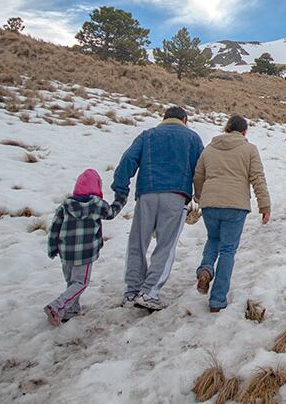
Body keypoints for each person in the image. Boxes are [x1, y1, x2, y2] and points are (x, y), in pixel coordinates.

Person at [113, 106, 204, 311]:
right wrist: (199, 196)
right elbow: (200, 170)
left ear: (163, 118)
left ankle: (131, 291)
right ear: (184, 119)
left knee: (137, 242)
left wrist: (121, 188)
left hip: (147, 193)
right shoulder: (192, 138)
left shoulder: (148, 135)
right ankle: (149, 292)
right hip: (176, 195)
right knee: (166, 245)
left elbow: (128, 160)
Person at [192, 115, 271, 312]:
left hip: (210, 203)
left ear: (227, 128)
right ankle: (217, 299)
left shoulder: (210, 148)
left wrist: (201, 197)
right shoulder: (249, 149)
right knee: (227, 249)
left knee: (213, 239)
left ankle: (206, 270)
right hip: (235, 204)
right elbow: (257, 178)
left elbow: (198, 175)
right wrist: (265, 205)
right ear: (244, 131)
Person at [45, 169, 126, 326]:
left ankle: (71, 310)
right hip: (85, 254)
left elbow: (55, 228)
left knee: (71, 283)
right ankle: (56, 306)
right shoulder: (97, 205)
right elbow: (112, 212)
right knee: (80, 283)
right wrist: (121, 197)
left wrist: (52, 248)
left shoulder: (65, 206)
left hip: (66, 253)